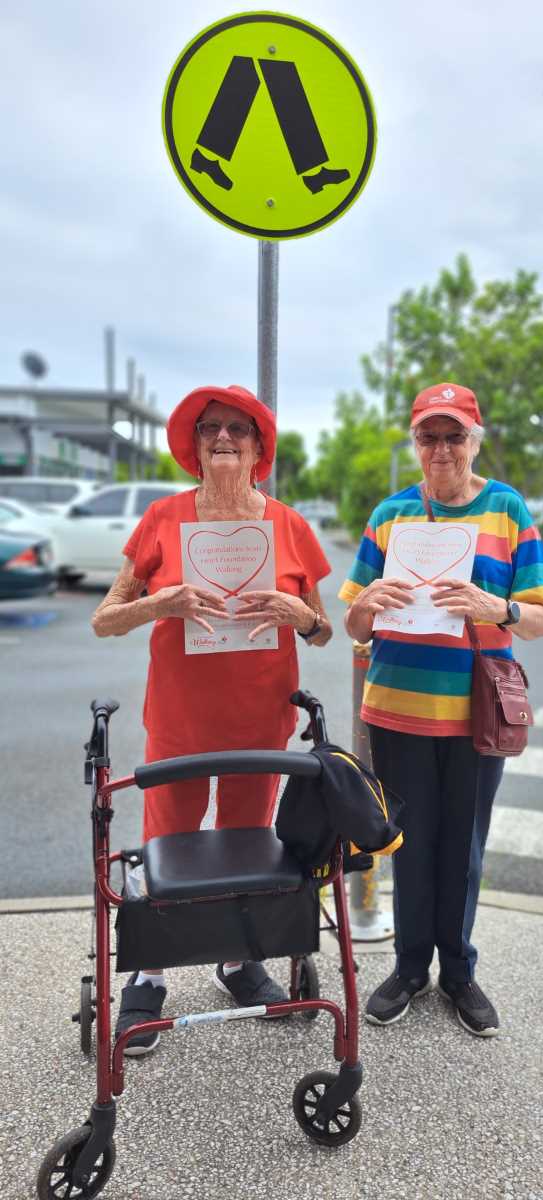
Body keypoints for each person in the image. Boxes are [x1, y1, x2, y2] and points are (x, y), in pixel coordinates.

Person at [92, 384, 332, 1055]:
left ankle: (237, 958)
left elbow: (323, 633)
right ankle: (148, 971)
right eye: (209, 430)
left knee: (249, 841)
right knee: (168, 842)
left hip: (261, 715)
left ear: (260, 448)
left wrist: (302, 617)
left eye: (237, 430)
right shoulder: (163, 520)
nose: (222, 439)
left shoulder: (288, 526)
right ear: (194, 448)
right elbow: (104, 618)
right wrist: (157, 602)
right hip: (182, 715)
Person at [339, 382, 543, 1037]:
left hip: (475, 716)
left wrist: (501, 609)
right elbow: (352, 624)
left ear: (475, 439)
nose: (441, 448)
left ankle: (459, 972)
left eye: (453, 435)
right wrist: (368, 601)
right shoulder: (390, 514)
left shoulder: (506, 509)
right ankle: (410, 969)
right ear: (414, 442)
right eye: (428, 436)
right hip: (399, 711)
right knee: (409, 844)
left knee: (463, 847)